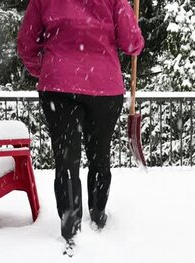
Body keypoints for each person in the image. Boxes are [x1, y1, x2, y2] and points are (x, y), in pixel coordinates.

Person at [17, 0, 144, 248]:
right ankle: (97, 215)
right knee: (100, 156)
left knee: (66, 160)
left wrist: (47, 69)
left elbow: (26, 45)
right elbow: (131, 44)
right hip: (104, 87)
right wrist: (136, 38)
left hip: (59, 87)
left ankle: (70, 226)